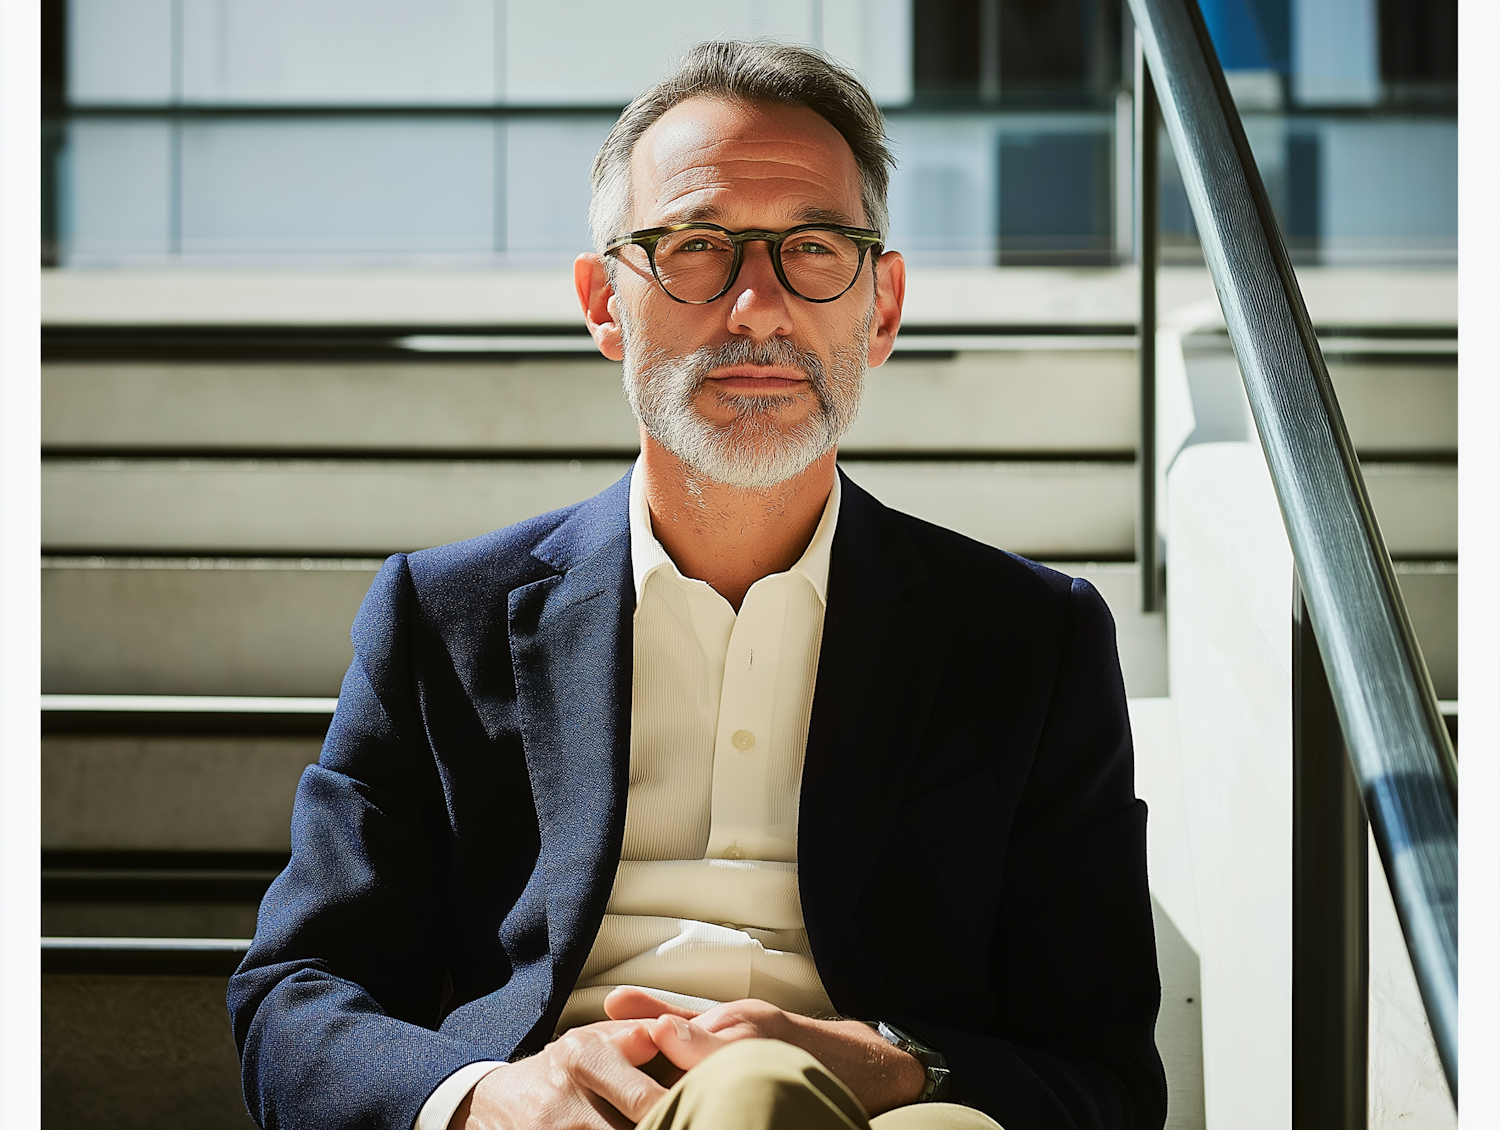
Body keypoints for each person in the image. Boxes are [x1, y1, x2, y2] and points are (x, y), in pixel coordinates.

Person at [228, 41, 1166, 1130]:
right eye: (697, 247)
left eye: (815, 248)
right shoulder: (441, 619)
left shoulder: (1030, 637)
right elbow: (295, 997)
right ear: (604, 302)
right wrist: (484, 1094)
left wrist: (895, 1060)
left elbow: (1102, 1072)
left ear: (884, 302)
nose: (757, 305)